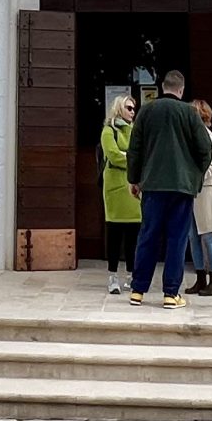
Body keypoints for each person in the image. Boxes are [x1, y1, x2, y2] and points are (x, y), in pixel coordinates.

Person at [125, 70, 212, 308]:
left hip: (153, 185)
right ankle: (171, 294)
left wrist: (134, 179)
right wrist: (194, 177)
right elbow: (205, 150)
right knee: (177, 239)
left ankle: (138, 290)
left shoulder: (146, 111)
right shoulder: (189, 113)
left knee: (148, 236)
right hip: (182, 188)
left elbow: (135, 149)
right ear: (181, 90)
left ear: (162, 87)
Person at [98, 92, 140, 293]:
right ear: (119, 108)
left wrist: (129, 157)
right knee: (114, 233)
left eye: (134, 108)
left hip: (133, 188)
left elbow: (140, 153)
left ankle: (132, 276)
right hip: (115, 188)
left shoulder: (135, 130)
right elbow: (113, 155)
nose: (133, 112)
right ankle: (112, 276)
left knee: (133, 234)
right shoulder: (109, 130)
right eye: (129, 108)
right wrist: (130, 158)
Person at [186, 99, 212, 298]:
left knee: (209, 236)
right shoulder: (191, 136)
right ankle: (200, 277)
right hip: (193, 192)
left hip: (206, 191)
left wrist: (195, 179)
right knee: (193, 236)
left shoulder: (206, 135)